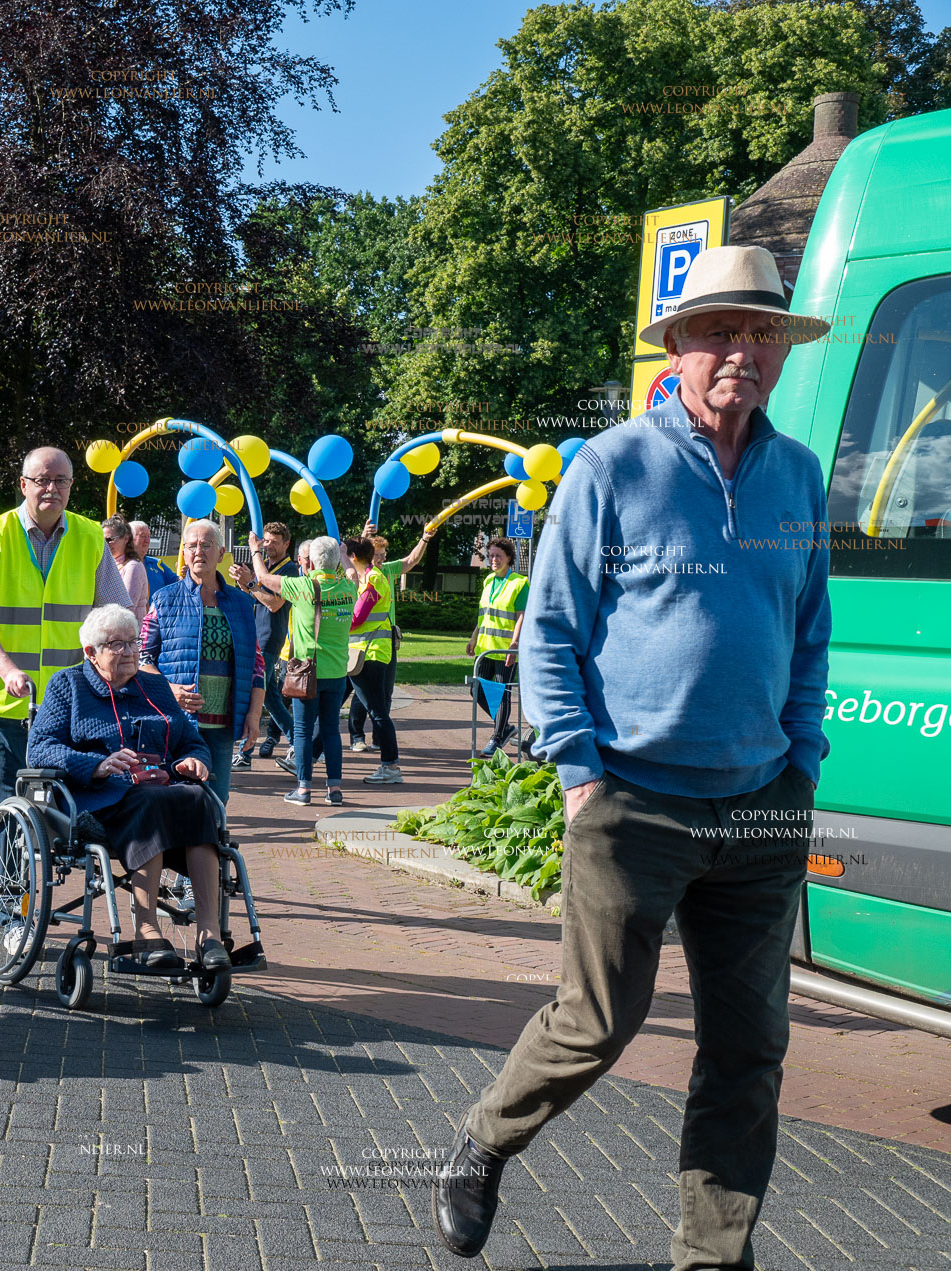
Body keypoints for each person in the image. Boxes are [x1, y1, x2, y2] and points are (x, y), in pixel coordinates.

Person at [433, 245, 832, 1269]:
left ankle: (711, 1252)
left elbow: (808, 630)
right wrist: (576, 775)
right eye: (717, 330)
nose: (738, 349)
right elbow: (549, 630)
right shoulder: (611, 465)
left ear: (779, 350)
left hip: (759, 804)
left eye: (757, 332)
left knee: (748, 1050)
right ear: (675, 346)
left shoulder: (795, 473)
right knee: (595, 1023)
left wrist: (800, 759)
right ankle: (481, 1142)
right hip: (631, 797)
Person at [26, 604, 229, 973]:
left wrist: (195, 760)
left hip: (160, 788)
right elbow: (40, 747)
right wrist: (96, 765)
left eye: (133, 642)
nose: (131, 652)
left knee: (200, 799)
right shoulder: (68, 685)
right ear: (91, 652)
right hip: (98, 798)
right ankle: (146, 928)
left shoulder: (153, 685)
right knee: (149, 803)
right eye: (117, 644)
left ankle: (209, 933)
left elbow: (190, 739)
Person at [0, 446, 132, 805]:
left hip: (70, 702)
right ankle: (4, 863)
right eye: (42, 480)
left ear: (71, 485)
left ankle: (45, 861)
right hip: (4, 702)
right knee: (8, 805)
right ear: (23, 484)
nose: (52, 488)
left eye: (60, 480)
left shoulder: (91, 535)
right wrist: (8, 671)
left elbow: (114, 613)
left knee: (64, 807)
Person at [139, 520, 263, 804]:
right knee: (176, 798)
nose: (198, 552)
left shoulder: (242, 604)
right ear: (183, 553)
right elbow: (143, 657)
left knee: (217, 800)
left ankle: (213, 848)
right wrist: (169, 690)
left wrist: (254, 716)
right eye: (191, 546)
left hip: (223, 722)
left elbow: (257, 666)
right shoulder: (165, 599)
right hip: (176, 721)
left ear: (220, 553)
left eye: (206, 545)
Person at [245, 535, 356, 806]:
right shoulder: (349, 588)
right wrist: (343, 553)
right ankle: (335, 790)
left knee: (304, 731)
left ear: (313, 561)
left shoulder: (303, 587)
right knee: (331, 731)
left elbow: (261, 576)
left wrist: (255, 550)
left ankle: (304, 789)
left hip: (307, 672)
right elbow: (352, 571)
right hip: (337, 673)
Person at [235, 520, 296, 767]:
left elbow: (273, 604)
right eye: (266, 540)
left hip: (270, 640)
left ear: (286, 544)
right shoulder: (266, 566)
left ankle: (244, 753)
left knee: (255, 695)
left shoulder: (289, 570)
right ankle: (300, 743)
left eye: (274, 542)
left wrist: (251, 583)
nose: (268, 545)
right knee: (271, 699)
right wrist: (243, 582)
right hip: (256, 637)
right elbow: (254, 597)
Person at [344, 535, 402, 784]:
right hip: (360, 653)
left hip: (369, 654)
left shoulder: (373, 578)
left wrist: (333, 622)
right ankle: (308, 757)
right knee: (332, 701)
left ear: (353, 557)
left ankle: (390, 767)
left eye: (344, 555)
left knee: (378, 712)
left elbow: (356, 618)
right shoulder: (368, 577)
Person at [468, 535, 528, 758]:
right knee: (477, 691)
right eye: (491, 555)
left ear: (509, 558)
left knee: (502, 693)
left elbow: (522, 615)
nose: (493, 559)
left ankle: (496, 737)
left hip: (505, 650)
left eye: (498, 556)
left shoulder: (519, 583)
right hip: (485, 648)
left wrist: (515, 643)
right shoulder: (488, 581)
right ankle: (505, 728)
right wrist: (473, 637)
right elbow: (484, 615)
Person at [103, 515, 150, 624]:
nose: (105, 543)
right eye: (102, 539)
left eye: (110, 539)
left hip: (128, 635)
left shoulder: (133, 566)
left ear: (126, 538)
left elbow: (126, 610)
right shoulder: (107, 564)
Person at [131, 521, 180, 595]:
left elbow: (178, 585)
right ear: (130, 538)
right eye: (143, 536)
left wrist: (187, 574)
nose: (147, 541)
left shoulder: (157, 564)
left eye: (149, 536)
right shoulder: (120, 564)